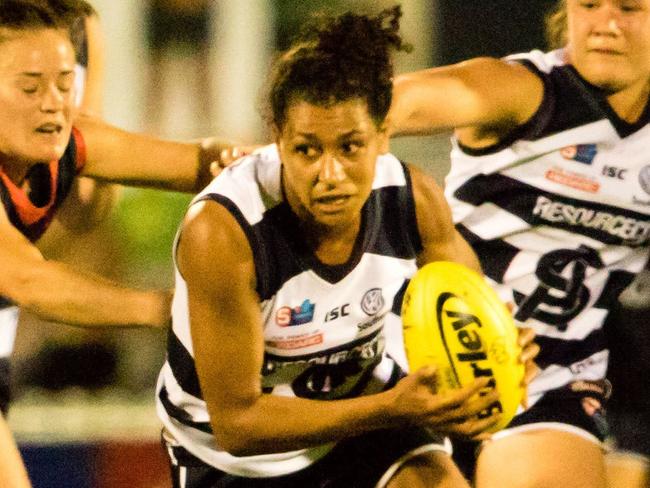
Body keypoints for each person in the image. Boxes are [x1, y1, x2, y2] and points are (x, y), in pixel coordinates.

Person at [155, 6, 538, 488]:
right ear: (277, 138)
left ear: (382, 136)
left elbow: (473, 311)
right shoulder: (224, 231)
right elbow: (238, 424)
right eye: (307, 150)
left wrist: (504, 347)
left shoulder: (414, 202)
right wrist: (389, 407)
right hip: (235, 461)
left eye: (350, 147)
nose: (329, 175)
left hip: (368, 421)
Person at [388, 0, 650, 487]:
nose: (606, 25)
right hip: (419, 352)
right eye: (589, 5)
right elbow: (392, 103)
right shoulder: (522, 90)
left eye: (630, 8)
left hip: (551, 375)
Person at [0, 0, 247, 415]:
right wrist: (172, 308)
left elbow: (197, 160)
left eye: (65, 82)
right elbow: (29, 280)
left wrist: (256, 164)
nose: (53, 103)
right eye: (30, 87)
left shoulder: (70, 136)